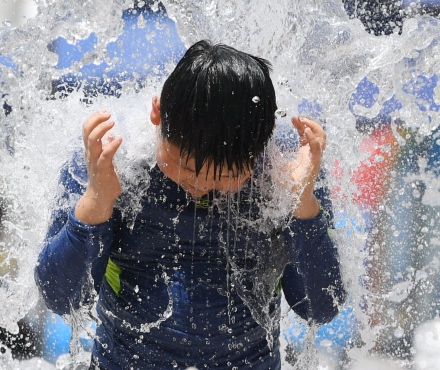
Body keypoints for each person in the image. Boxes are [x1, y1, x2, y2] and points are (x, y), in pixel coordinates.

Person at [35, 40, 345, 370]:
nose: (199, 188)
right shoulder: (111, 161)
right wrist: (97, 201)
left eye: (224, 176)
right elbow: (64, 300)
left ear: (264, 140)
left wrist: (303, 206)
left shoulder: (286, 170)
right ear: (156, 113)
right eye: (183, 165)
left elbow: (320, 308)